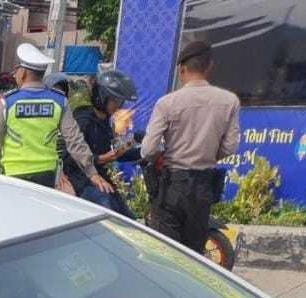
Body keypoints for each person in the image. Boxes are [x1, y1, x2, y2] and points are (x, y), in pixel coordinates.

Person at [140, 39, 240, 253]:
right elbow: (230, 147)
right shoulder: (229, 101)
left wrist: (166, 153)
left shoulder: (167, 103)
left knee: (166, 253)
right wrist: (208, 154)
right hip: (203, 187)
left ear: (181, 68)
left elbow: (148, 150)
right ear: (209, 67)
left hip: (172, 187)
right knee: (194, 256)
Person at [0, 43, 114, 195]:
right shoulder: (59, 100)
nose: (15, 75)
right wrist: (92, 172)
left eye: (17, 71)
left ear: (23, 73)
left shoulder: (7, 102)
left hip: (14, 173)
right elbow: (74, 140)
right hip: (47, 175)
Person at [62, 70, 142, 217]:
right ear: (102, 96)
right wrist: (101, 159)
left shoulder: (105, 121)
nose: (118, 106)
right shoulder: (83, 120)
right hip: (80, 180)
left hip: (101, 179)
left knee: (128, 218)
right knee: (108, 212)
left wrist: (141, 148)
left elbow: (115, 152)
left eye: (120, 101)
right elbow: (68, 159)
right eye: (115, 101)